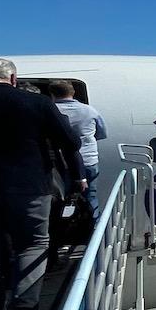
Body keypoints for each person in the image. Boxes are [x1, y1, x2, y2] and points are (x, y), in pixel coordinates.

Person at [0, 58, 86, 310]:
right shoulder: (35, 103)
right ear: (12, 79)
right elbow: (70, 141)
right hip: (29, 186)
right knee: (33, 244)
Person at [50, 80, 107, 218]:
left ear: (52, 94)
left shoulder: (51, 111)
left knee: (63, 198)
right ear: (73, 92)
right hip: (89, 160)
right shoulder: (90, 111)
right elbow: (101, 134)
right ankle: (92, 228)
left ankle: (66, 229)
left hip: (62, 163)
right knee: (91, 197)